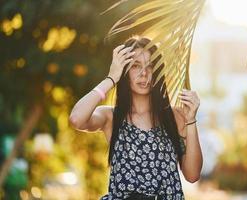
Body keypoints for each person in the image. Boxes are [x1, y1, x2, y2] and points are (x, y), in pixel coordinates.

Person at [69, 35, 203, 200]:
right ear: (125, 71)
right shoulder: (111, 117)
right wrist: (111, 78)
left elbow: (192, 175)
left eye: (150, 66)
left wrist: (191, 120)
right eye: (135, 66)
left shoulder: (175, 117)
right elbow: (76, 119)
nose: (144, 73)